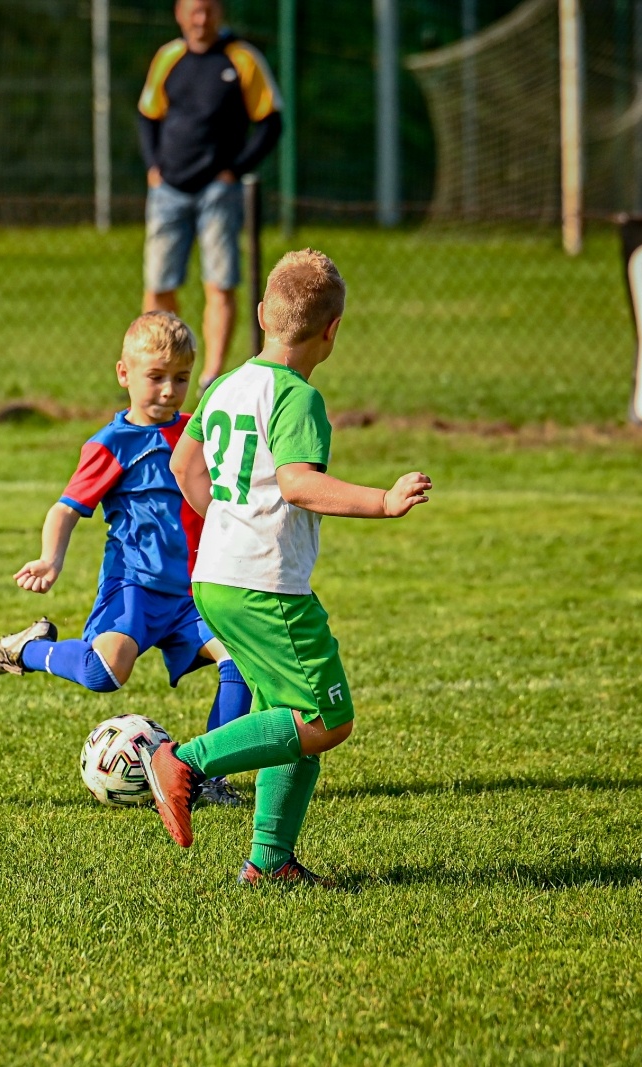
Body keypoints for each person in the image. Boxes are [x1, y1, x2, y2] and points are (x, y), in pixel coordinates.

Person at [147, 250, 433, 886]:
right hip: (265, 584)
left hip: (217, 576)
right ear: (331, 331)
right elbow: (299, 484)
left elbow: (183, 469)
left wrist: (227, 522)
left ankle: (269, 862)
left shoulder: (225, 384)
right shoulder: (299, 398)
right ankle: (185, 762)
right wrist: (382, 503)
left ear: (259, 316)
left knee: (286, 717)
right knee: (326, 720)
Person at [0, 311, 251, 806]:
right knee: (104, 674)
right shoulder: (112, 445)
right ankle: (27, 650)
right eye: (156, 378)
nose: (169, 391)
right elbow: (64, 511)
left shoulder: (197, 434)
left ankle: (208, 778)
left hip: (195, 590)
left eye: (181, 379)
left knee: (241, 661)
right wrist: (50, 559)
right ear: (124, 374)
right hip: (135, 586)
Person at [139, 0, 282, 393]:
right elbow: (148, 115)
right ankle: (158, 368)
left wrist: (234, 170)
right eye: (193, 11)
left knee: (219, 282)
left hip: (218, 191)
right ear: (179, 14)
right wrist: (154, 167)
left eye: (208, 11)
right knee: (158, 283)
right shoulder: (169, 57)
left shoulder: (242, 59)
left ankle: (209, 378)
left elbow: (271, 121)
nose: (200, 20)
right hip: (169, 189)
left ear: (220, 13)